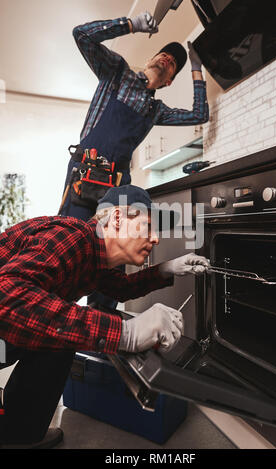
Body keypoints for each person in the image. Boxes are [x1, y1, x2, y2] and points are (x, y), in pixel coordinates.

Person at [0, 185, 209, 449]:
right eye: (147, 226)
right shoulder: (72, 237)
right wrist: (126, 333)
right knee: (64, 334)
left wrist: (167, 269)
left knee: (63, 335)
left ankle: (17, 435)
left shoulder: (94, 257)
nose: (155, 238)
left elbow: (122, 287)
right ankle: (17, 434)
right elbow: (6, 296)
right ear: (118, 219)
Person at [60, 10, 209, 310]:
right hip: (84, 179)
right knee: (68, 255)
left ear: (169, 81)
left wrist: (196, 71)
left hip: (117, 192)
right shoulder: (117, 72)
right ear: (153, 56)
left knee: (112, 268)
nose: (168, 59)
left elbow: (199, 115)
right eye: (165, 54)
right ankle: (52, 327)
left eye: (174, 64)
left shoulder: (156, 110)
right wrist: (131, 25)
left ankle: (100, 337)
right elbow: (82, 34)